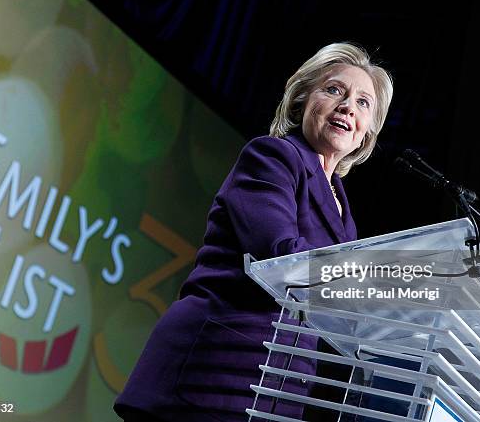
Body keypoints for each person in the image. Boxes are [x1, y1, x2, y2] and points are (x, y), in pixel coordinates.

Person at [114, 42, 393, 422]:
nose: (348, 106)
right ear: (302, 102)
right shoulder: (272, 158)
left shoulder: (346, 216)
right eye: (333, 90)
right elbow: (281, 255)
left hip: (279, 390)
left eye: (364, 103)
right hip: (214, 369)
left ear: (365, 135)